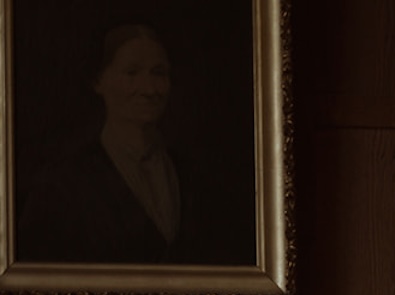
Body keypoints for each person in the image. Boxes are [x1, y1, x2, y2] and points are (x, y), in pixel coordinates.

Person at [16, 23, 252, 265]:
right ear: (99, 81)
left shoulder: (194, 178)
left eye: (158, 73)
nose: (149, 89)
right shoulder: (59, 185)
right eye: (131, 73)